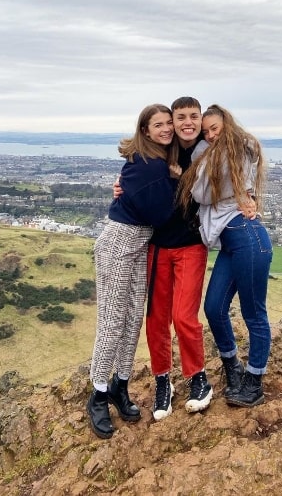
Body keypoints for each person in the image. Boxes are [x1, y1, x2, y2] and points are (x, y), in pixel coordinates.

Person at [113, 96, 213, 421]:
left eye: (190, 117)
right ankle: (162, 381)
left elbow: (235, 166)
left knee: (184, 316)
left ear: (200, 119)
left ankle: (198, 378)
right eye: (175, 118)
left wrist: (250, 197)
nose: (181, 124)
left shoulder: (207, 147)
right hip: (158, 247)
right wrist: (121, 188)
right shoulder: (161, 151)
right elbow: (136, 176)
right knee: (156, 319)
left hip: (191, 244)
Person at [87, 104, 177, 439]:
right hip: (117, 244)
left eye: (169, 123)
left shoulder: (158, 163)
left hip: (140, 245)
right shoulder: (145, 164)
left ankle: (119, 385)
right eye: (159, 124)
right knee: (112, 322)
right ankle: (97, 394)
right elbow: (163, 212)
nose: (166, 129)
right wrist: (177, 179)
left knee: (133, 318)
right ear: (145, 130)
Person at [179, 104, 273, 408]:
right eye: (206, 132)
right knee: (214, 307)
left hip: (248, 238)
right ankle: (233, 367)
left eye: (215, 129)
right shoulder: (220, 152)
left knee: (254, 314)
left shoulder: (231, 150)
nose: (210, 135)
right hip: (233, 242)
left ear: (227, 126)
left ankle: (254, 382)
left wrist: (202, 153)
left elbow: (201, 194)